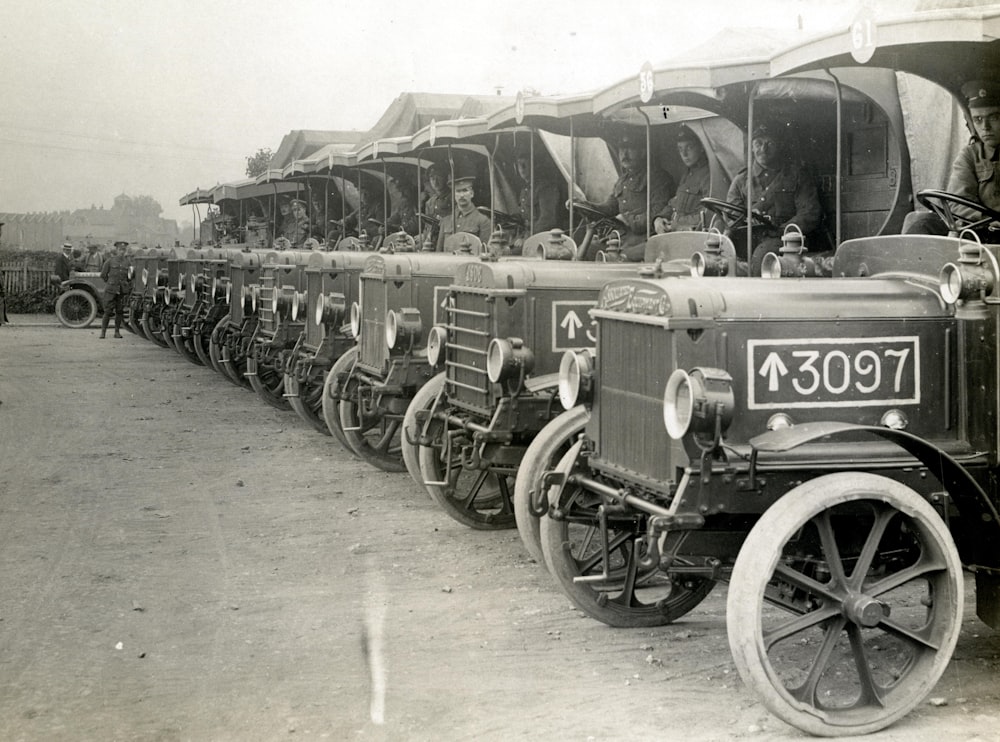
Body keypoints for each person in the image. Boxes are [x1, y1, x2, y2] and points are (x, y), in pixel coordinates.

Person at [903, 80, 1000, 236]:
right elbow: (958, 202)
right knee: (919, 222)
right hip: (983, 229)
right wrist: (987, 222)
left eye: (994, 117)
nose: (985, 127)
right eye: (978, 120)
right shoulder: (970, 155)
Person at [725, 121, 822, 275]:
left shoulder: (796, 176)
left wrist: (782, 231)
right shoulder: (741, 180)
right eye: (758, 143)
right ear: (751, 146)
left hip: (785, 240)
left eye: (769, 143)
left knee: (762, 256)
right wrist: (745, 222)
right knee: (719, 256)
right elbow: (731, 213)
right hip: (749, 237)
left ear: (779, 146)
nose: (763, 149)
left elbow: (810, 213)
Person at [590, 132, 674, 260]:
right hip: (621, 236)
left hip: (642, 238)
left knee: (618, 258)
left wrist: (628, 219)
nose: (625, 154)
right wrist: (587, 206)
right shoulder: (623, 180)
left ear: (642, 152)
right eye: (622, 149)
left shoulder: (657, 177)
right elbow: (610, 207)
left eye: (630, 149)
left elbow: (657, 212)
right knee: (589, 250)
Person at [654, 126, 712, 233]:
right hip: (678, 232)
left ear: (701, 148)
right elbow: (675, 203)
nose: (684, 154)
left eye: (689, 147)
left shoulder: (709, 175)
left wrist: (677, 223)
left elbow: (708, 214)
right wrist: (659, 218)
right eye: (680, 149)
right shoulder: (687, 174)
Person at [515, 146, 564, 237]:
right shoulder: (525, 190)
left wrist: (529, 236)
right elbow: (524, 215)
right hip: (526, 234)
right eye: (519, 164)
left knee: (508, 251)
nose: (522, 168)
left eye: (525, 164)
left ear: (534, 165)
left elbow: (548, 220)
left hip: (544, 236)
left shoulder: (546, 188)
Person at [435, 175, 494, 251]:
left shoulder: (483, 221)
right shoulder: (446, 221)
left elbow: (484, 251)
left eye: (465, 190)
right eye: (458, 191)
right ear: (454, 195)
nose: (462, 195)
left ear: (472, 193)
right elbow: (439, 252)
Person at [99, 240, 131, 339]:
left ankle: (117, 332)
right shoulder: (110, 261)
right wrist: (110, 283)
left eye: (124, 250)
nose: (122, 252)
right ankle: (103, 332)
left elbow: (130, 277)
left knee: (120, 311)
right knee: (107, 311)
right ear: (116, 250)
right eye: (120, 250)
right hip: (111, 290)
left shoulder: (127, 262)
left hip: (122, 291)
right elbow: (103, 275)